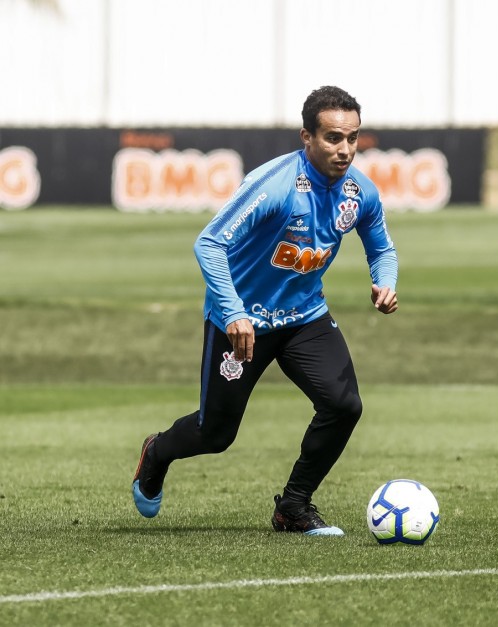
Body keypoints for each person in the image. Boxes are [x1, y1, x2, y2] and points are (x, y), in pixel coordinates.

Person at [132, 86, 398, 536]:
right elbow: (210, 244)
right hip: (241, 323)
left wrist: (385, 281)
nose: (345, 149)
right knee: (215, 435)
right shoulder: (274, 186)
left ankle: (293, 508)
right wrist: (234, 313)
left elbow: (382, 247)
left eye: (352, 138)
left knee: (343, 405)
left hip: (304, 318)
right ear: (306, 137)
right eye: (333, 138)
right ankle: (156, 453)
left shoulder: (359, 192)